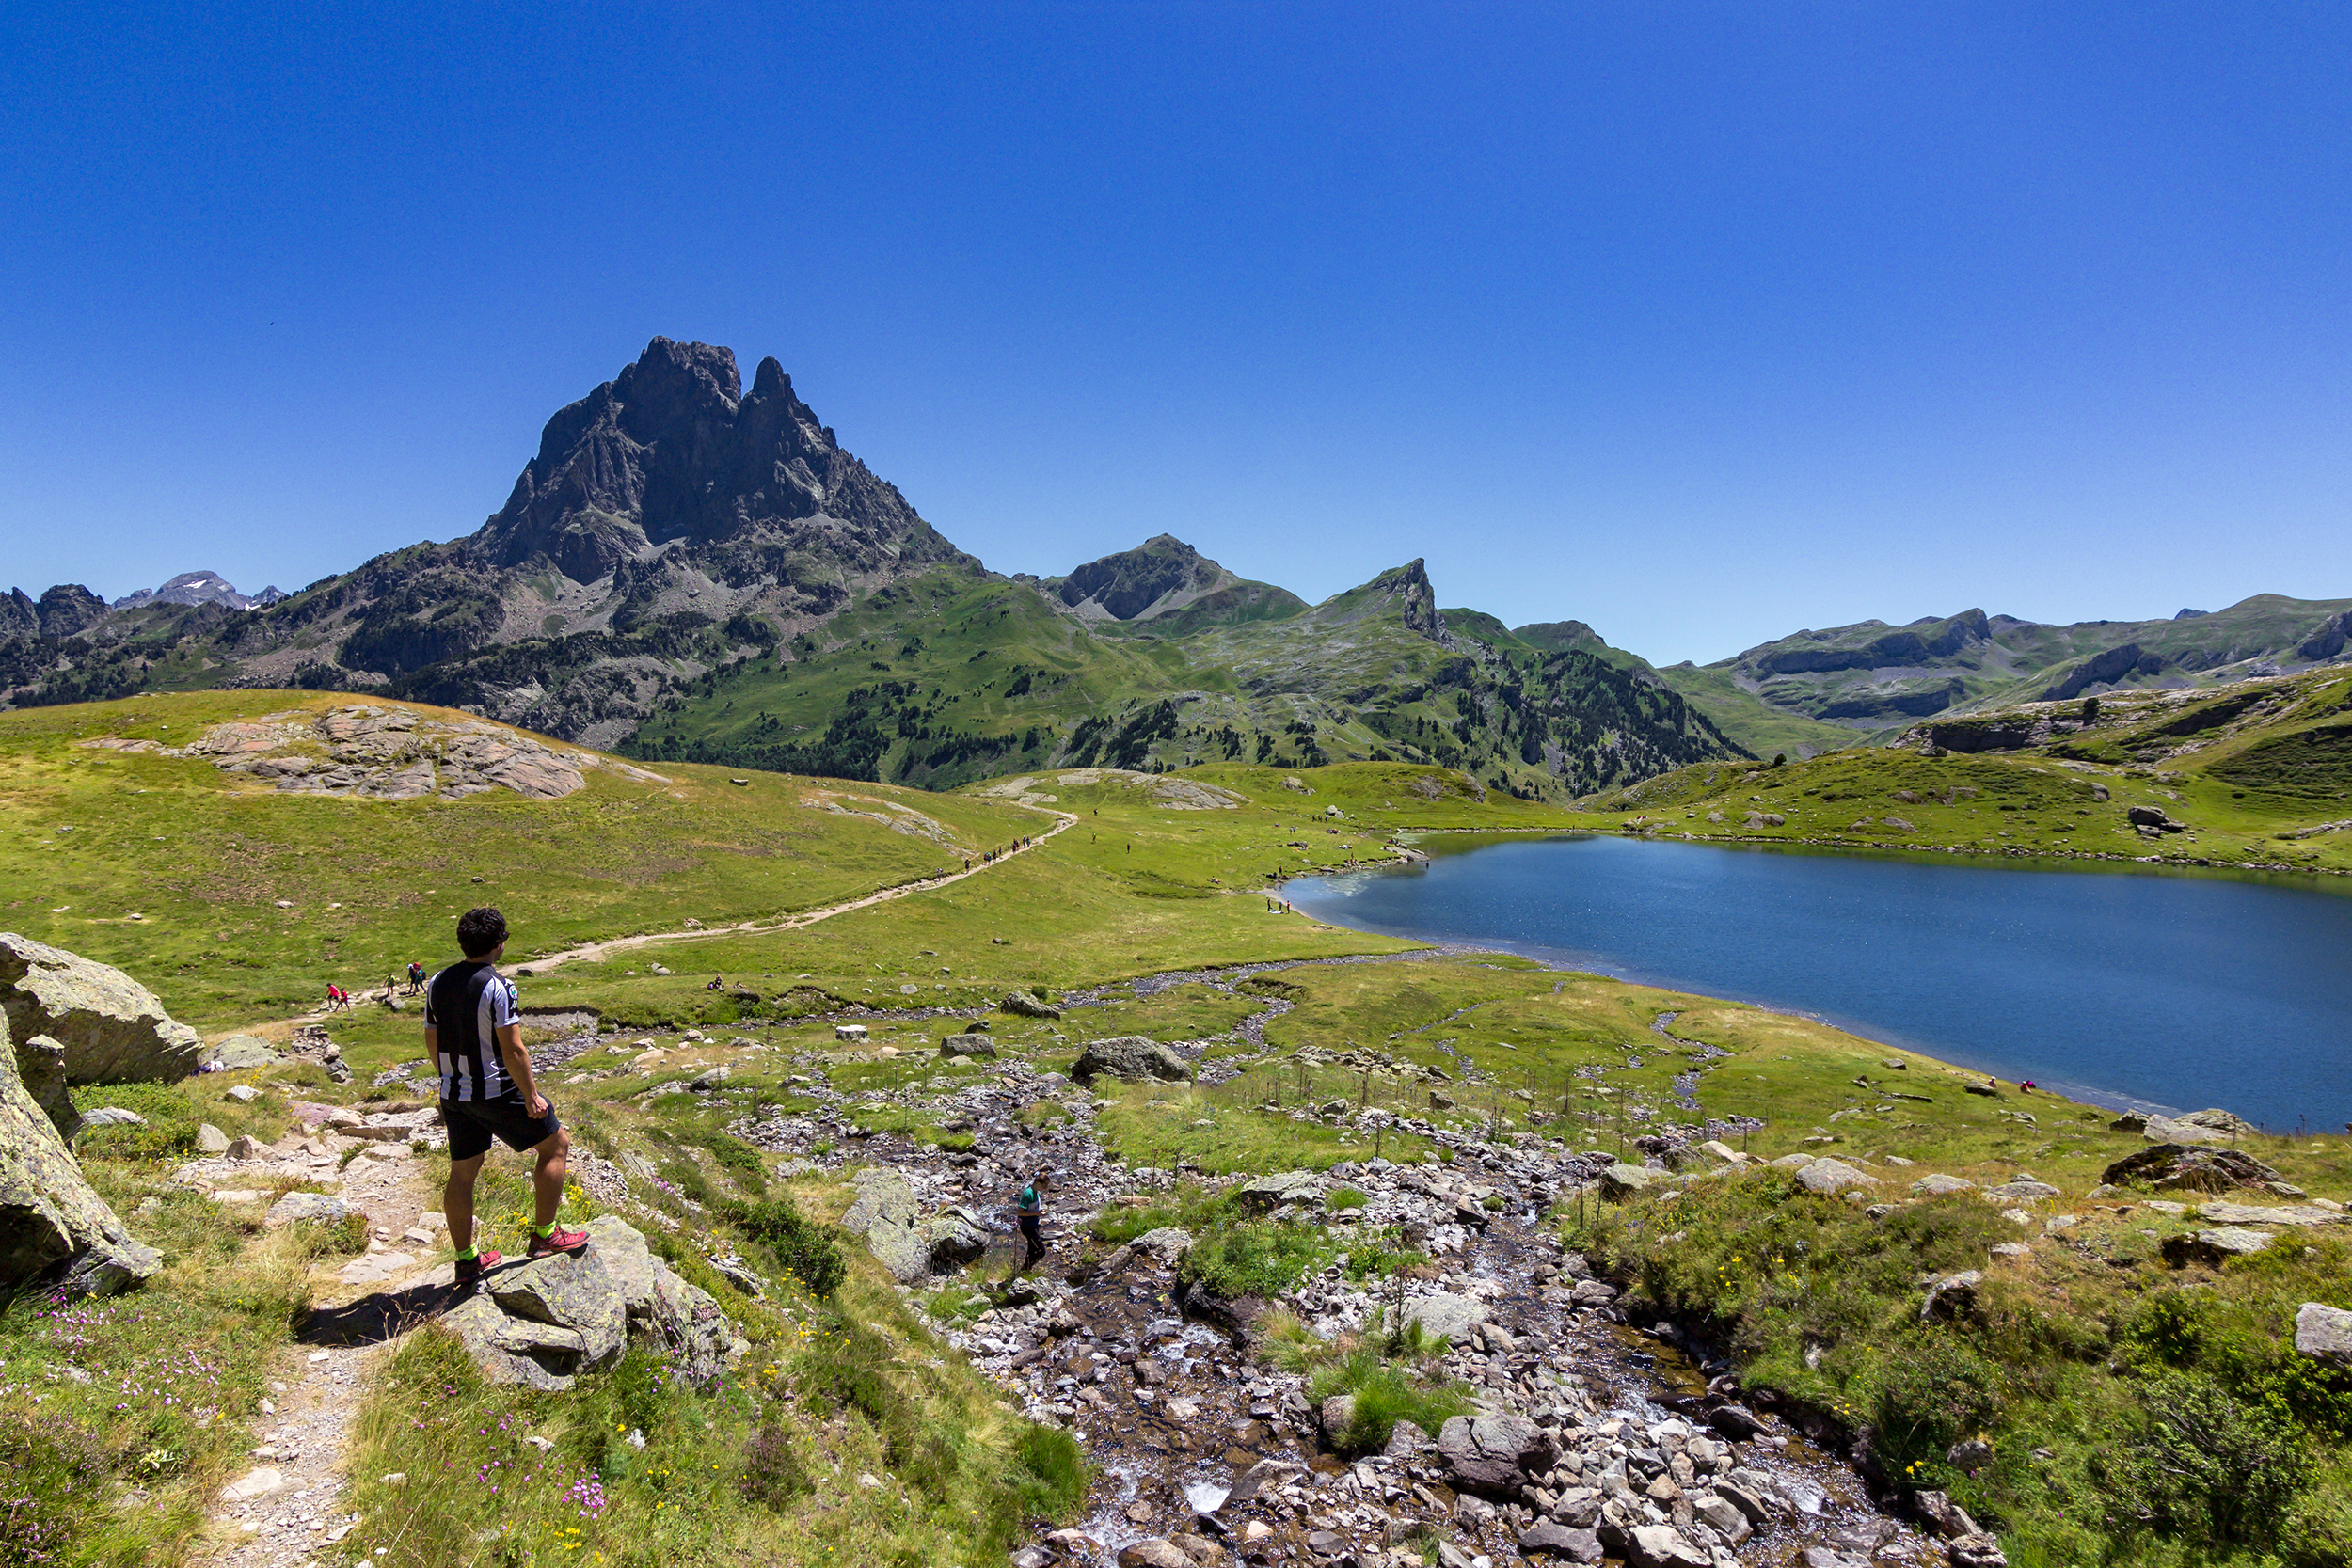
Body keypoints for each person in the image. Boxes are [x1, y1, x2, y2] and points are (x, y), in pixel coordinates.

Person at [429, 906, 589, 1290]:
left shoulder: (436, 981)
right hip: (494, 1089)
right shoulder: (498, 986)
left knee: (463, 1173)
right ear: (499, 943)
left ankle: (467, 1261)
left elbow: (432, 1040)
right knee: (556, 1145)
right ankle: (545, 1234)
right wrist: (531, 1095)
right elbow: (514, 1050)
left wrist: (450, 1078)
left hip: (454, 1091)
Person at [1015, 1172, 1046, 1271]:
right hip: (1028, 1228)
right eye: (1044, 1186)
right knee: (1041, 1251)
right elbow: (1020, 1212)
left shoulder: (1035, 1192)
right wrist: (1036, 1213)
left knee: (1032, 1250)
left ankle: (1027, 1270)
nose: (1045, 1188)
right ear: (1037, 1183)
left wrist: (1038, 1212)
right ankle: (1025, 1268)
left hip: (1033, 1225)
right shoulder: (1028, 1194)